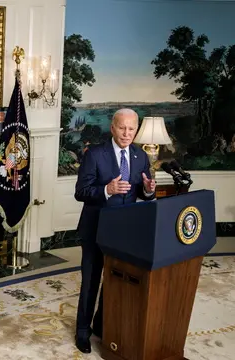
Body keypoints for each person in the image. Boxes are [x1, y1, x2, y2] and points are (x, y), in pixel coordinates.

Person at [73, 108, 156, 354]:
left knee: (114, 282)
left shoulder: (141, 156)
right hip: (95, 229)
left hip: (123, 233)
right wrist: (107, 190)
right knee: (90, 282)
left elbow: (140, 192)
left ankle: (101, 325)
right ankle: (82, 332)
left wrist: (149, 189)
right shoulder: (95, 154)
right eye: (122, 128)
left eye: (131, 129)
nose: (127, 133)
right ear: (113, 127)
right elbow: (81, 192)